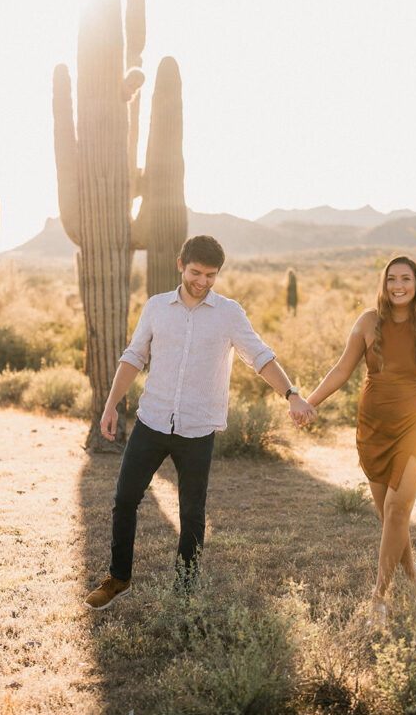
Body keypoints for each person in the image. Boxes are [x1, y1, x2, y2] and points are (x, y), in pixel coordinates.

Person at [85, 234, 316, 610]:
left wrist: (292, 394)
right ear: (180, 264)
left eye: (211, 275)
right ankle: (119, 578)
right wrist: (112, 405)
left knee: (192, 513)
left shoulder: (228, 313)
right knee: (125, 499)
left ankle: (184, 592)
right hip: (152, 420)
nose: (203, 281)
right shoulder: (157, 307)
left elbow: (259, 356)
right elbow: (134, 356)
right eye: (196, 272)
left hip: (198, 429)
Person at [303, 255, 416, 625]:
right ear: (384, 283)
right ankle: (414, 574)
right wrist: (308, 403)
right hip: (373, 428)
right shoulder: (367, 322)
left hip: (415, 426)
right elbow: (343, 369)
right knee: (391, 516)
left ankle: (379, 598)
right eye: (392, 278)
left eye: (405, 279)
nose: (398, 285)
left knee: (396, 510)